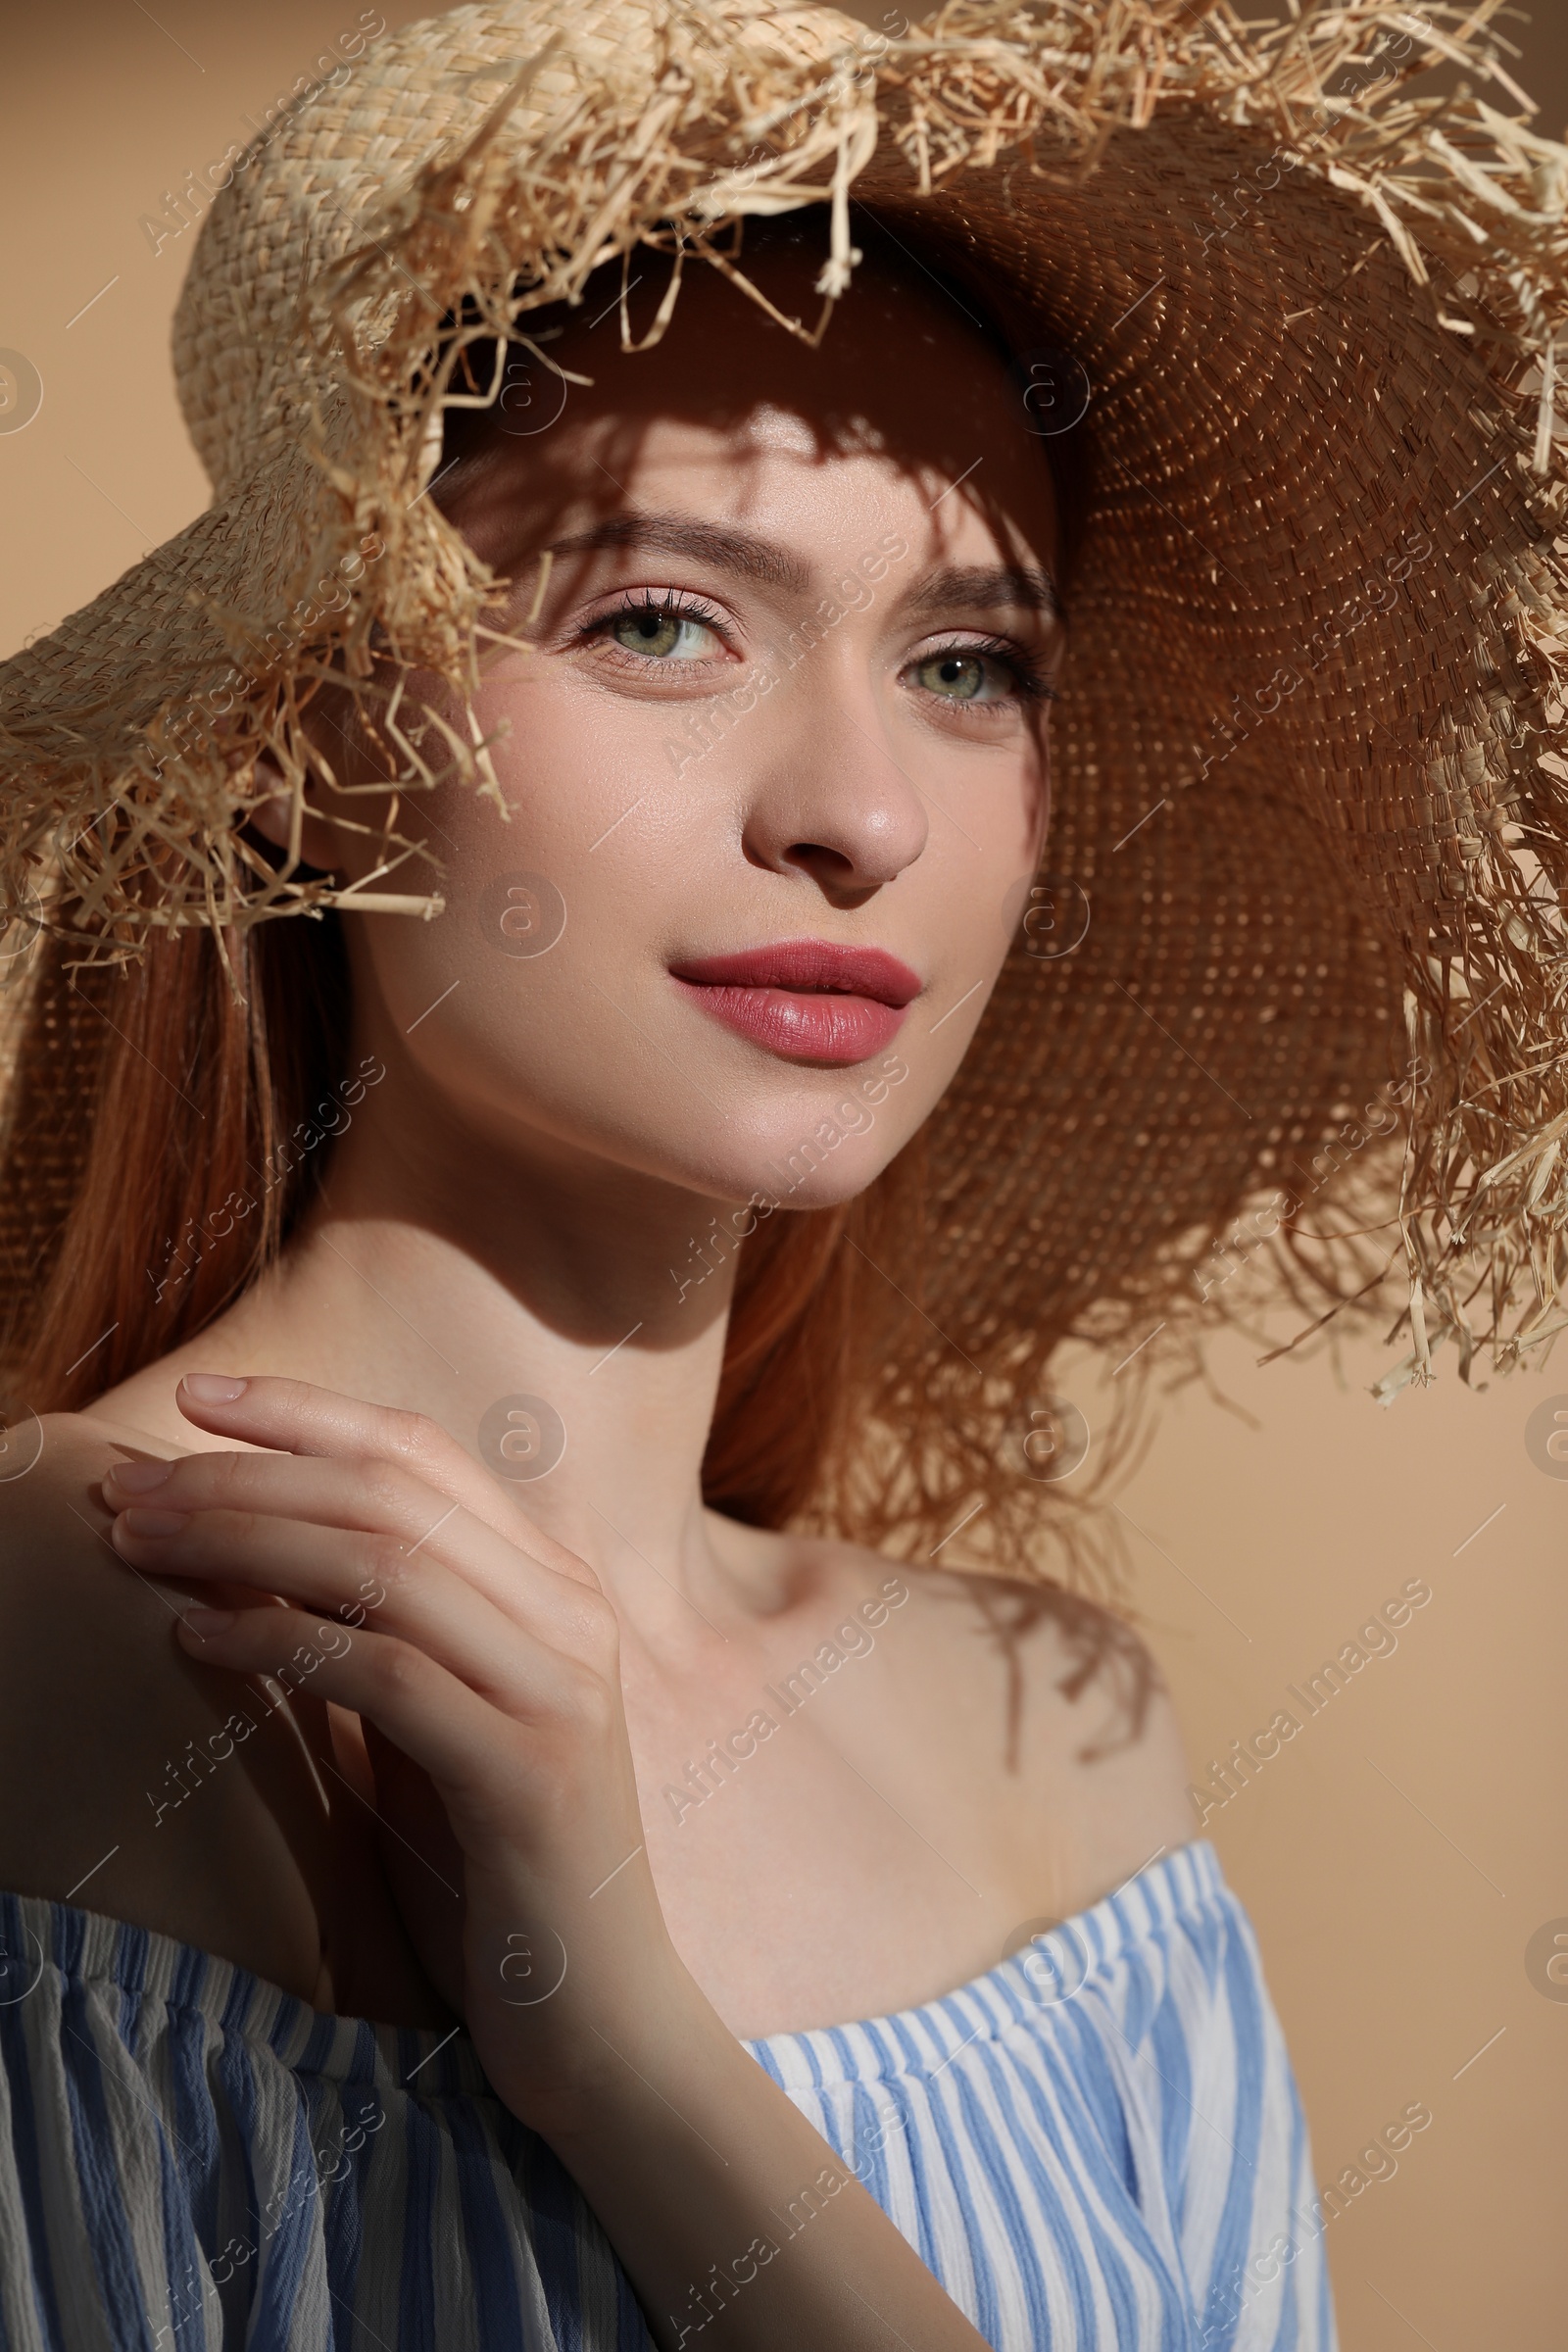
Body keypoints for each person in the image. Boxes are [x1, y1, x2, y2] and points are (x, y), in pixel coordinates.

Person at [0, 2, 1561, 2346]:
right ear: (315, 736)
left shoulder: (1058, 1727)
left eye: (969, 665)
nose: (859, 811)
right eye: (662, 620)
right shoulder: (65, 1624)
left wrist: (632, 2053)